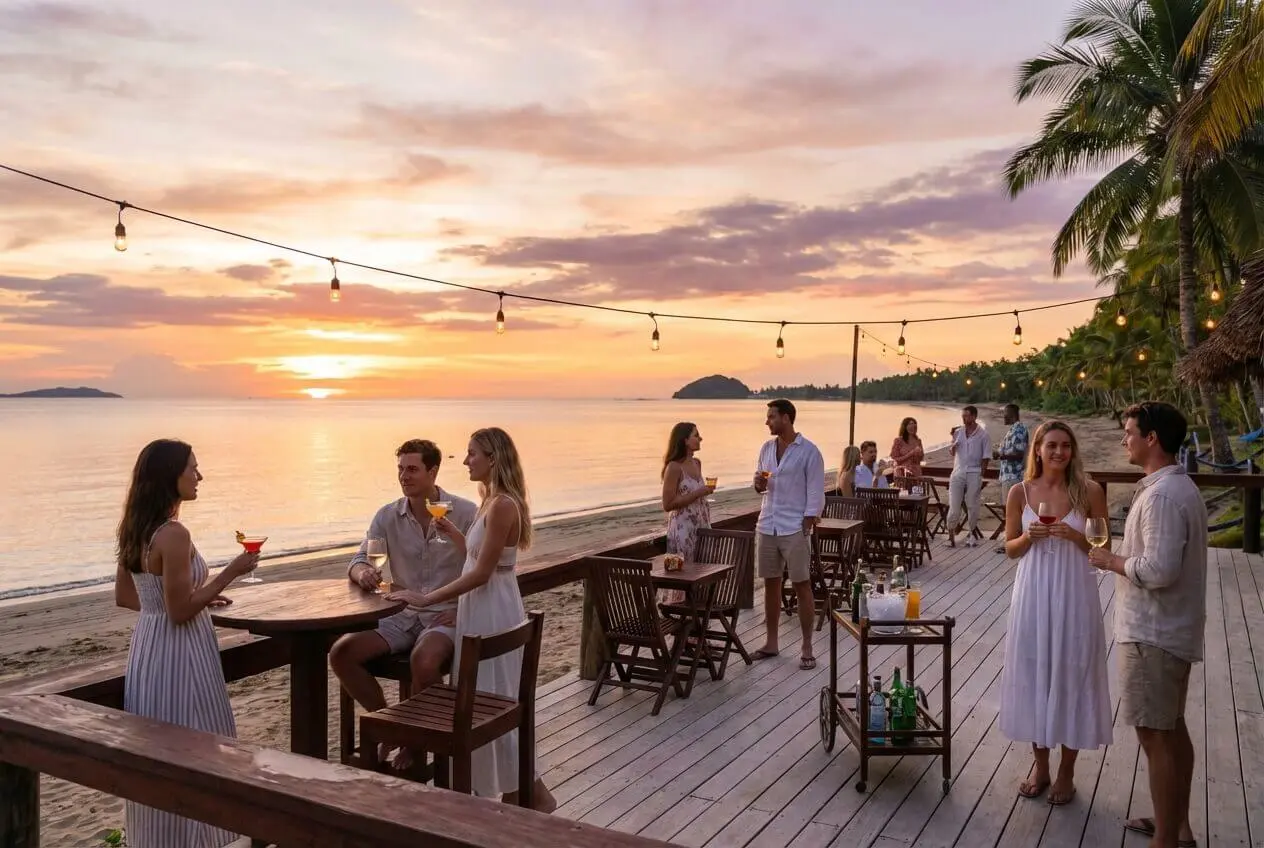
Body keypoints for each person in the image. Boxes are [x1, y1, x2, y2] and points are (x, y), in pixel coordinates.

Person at [387, 428, 556, 813]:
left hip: (491, 608)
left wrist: (427, 597)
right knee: (492, 697)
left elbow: (481, 575)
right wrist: (455, 534)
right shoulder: (491, 501)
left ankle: (530, 796)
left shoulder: (501, 506)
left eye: (471, 454)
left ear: (493, 458)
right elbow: (481, 560)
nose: (464, 461)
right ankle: (522, 796)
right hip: (485, 605)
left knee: (493, 699)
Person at [114, 439, 259, 848]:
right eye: (193, 468)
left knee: (158, 749)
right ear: (170, 476)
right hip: (182, 652)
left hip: (148, 650)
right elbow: (180, 613)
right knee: (199, 744)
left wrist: (192, 594)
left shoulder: (135, 528)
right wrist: (230, 572)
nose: (199, 475)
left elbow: (128, 598)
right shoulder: (174, 534)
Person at [1090, 403, 1207, 848]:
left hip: (1152, 633)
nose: (1124, 440)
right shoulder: (1177, 488)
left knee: (1155, 735)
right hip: (1172, 630)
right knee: (1172, 728)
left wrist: (1111, 560)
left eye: (1129, 432)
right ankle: (1175, 825)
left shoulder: (1160, 496)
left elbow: (1159, 570)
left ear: (1151, 438)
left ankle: (1166, 840)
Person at [329, 439, 477, 768]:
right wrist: (363, 570)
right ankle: (392, 728)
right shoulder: (387, 515)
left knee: (424, 661)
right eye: (400, 469)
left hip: (446, 615)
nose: (403, 476)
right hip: (400, 613)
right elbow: (358, 559)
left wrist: (463, 609)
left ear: (433, 471)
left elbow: (481, 568)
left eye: (412, 469)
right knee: (341, 653)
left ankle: (416, 744)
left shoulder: (466, 513)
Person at [999, 421, 1112, 807]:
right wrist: (1028, 536)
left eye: (1065, 446)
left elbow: (1102, 546)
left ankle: (1067, 771)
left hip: (1075, 592)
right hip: (1033, 593)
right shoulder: (1020, 492)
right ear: (1038, 450)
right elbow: (1011, 549)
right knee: (1036, 673)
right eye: (1051, 446)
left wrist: (1074, 536)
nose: (1059, 452)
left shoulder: (1090, 491)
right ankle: (1041, 766)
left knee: (1071, 674)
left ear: (1073, 450)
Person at [751, 399, 825, 670]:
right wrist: (758, 484)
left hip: (794, 526)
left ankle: (806, 645)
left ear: (786, 418)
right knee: (771, 584)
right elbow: (760, 483)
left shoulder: (809, 451)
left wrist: (807, 523)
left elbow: (816, 491)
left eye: (771, 416)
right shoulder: (766, 448)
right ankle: (771, 642)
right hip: (767, 523)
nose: (767, 421)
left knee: (802, 584)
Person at [660, 422, 714, 603]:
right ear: (684, 440)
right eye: (696, 435)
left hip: (700, 527)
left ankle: (697, 618)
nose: (700, 438)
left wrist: (704, 492)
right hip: (681, 531)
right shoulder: (674, 467)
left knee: (702, 571)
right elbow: (668, 504)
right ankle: (677, 615)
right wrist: (700, 492)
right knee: (681, 575)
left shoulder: (697, 463)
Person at [947, 405, 990, 547]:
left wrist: (980, 475)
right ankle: (951, 535)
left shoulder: (983, 435)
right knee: (954, 505)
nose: (964, 419)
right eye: (962, 416)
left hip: (974, 472)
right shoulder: (958, 432)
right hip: (958, 472)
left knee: (972, 504)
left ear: (974, 416)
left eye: (966, 416)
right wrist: (952, 447)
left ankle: (972, 534)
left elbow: (986, 457)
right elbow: (953, 452)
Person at [994, 404, 1030, 553]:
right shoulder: (1012, 429)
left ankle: (1013, 542)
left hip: (1013, 476)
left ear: (1012, 414)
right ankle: (1011, 541)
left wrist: (1000, 455)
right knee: (1009, 511)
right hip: (1007, 476)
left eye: (1005, 413)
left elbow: (1019, 454)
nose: (1003, 416)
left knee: (1012, 511)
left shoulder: (1019, 429)